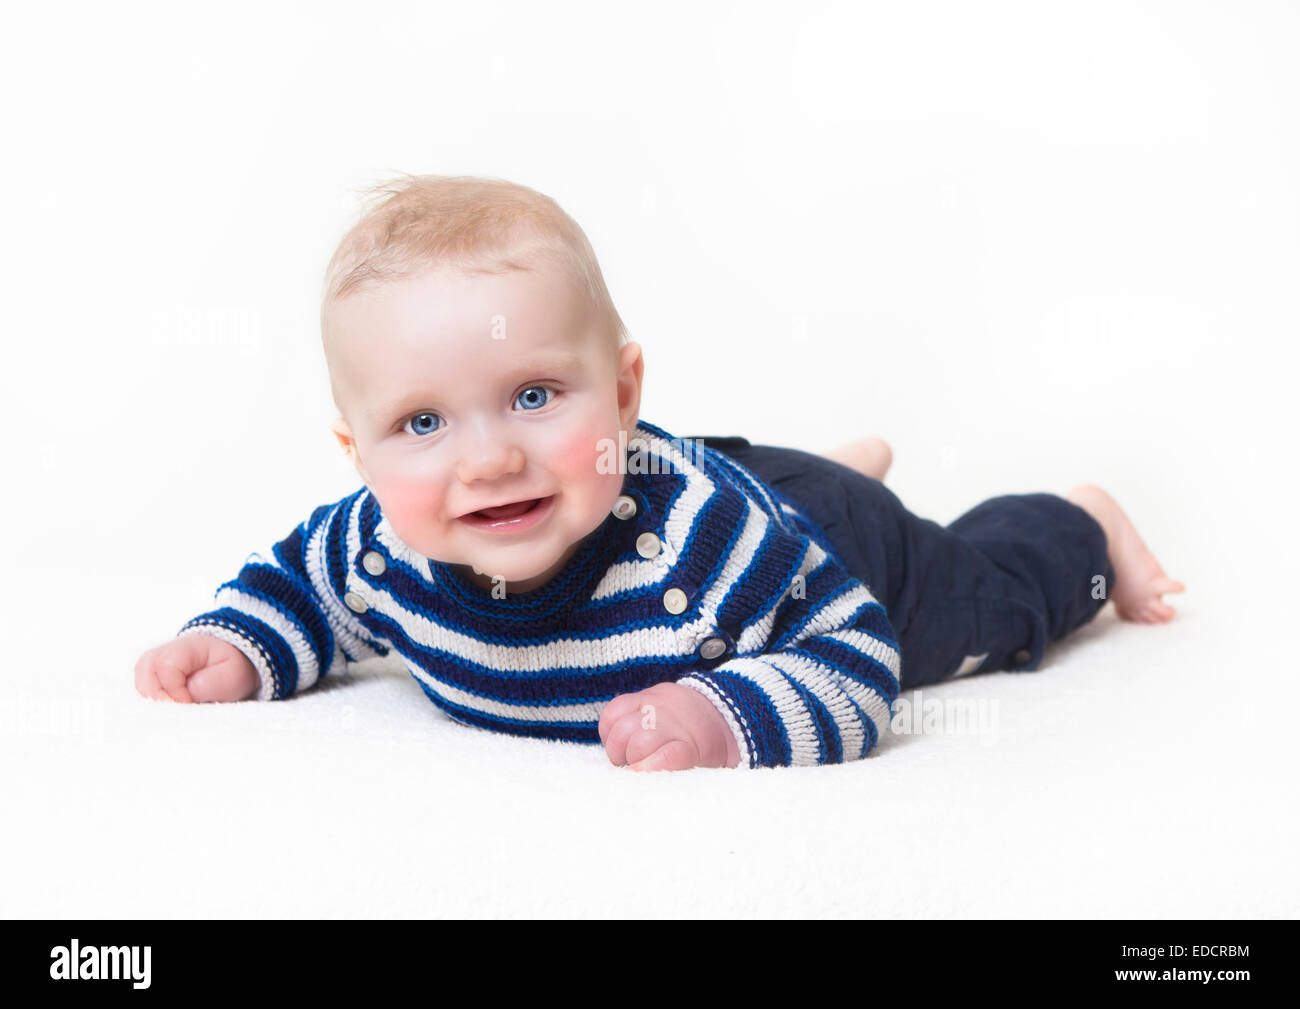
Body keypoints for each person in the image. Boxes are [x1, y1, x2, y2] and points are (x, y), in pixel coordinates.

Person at [134, 174, 1184, 771]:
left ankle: (1079, 522)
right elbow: (300, 587)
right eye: (420, 421)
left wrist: (723, 719)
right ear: (356, 454)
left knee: (982, 606)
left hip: (825, 549)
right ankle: (819, 468)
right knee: (741, 493)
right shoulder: (377, 537)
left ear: (623, 387)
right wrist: (235, 641)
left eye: (535, 395)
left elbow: (857, 655)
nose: (490, 457)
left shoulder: (702, 555)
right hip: (704, 485)